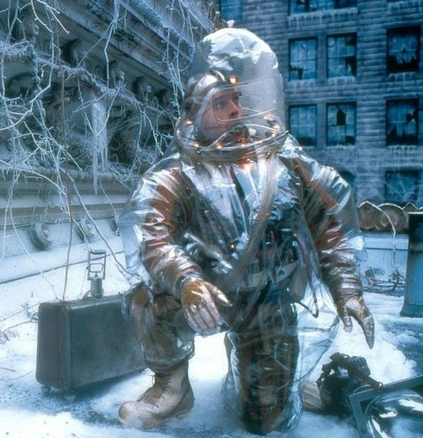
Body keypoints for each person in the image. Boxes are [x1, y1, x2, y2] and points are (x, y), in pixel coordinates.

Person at [117, 27, 375, 434]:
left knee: (266, 421)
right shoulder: (177, 176)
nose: (236, 110)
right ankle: (172, 385)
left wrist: (347, 289)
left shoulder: (285, 165)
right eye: (222, 104)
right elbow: (153, 236)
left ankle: (278, 382)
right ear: (197, 114)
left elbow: (329, 223)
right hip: (204, 297)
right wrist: (187, 282)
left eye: (237, 99)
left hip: (266, 304)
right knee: (146, 299)